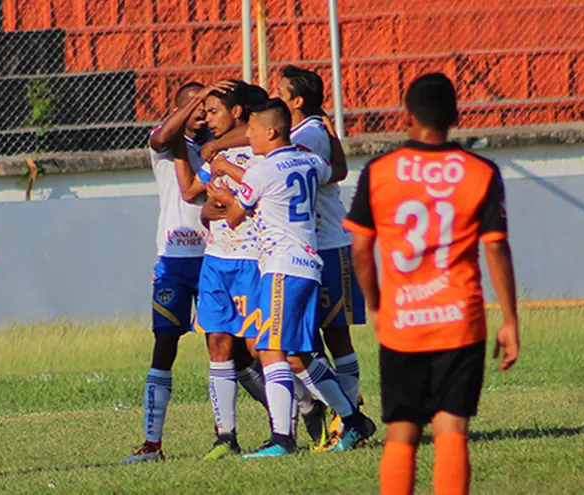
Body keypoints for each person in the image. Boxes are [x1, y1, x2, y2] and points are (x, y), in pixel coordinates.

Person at [343, 73, 520, 495]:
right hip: (460, 320)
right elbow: (496, 248)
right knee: (451, 428)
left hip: (403, 321)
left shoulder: (379, 172)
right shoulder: (481, 172)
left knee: (401, 432)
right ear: (455, 117)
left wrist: (376, 303)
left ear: (406, 117)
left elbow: (361, 250)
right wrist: (510, 319)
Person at [207, 98, 375, 459]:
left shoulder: (261, 171)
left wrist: (224, 196)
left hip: (283, 267)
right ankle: (353, 420)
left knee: (270, 349)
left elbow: (235, 216)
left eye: (251, 129)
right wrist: (332, 136)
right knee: (297, 355)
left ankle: (282, 439)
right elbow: (337, 171)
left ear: (270, 131)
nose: (247, 136)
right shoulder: (310, 160)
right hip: (308, 263)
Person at [122, 81, 231, 464]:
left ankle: (232, 434)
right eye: (197, 106)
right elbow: (162, 136)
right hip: (173, 261)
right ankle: (152, 444)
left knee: (227, 347)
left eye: (207, 107)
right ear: (181, 108)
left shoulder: (216, 147)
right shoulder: (166, 144)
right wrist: (195, 103)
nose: (203, 114)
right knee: (164, 345)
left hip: (215, 257)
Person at [275, 65, 368, 447]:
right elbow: (340, 170)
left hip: (328, 245)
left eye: (279, 90)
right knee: (307, 343)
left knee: (335, 337)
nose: (273, 95)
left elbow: (332, 172)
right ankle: (343, 413)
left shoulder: (308, 134)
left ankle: (349, 422)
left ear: (296, 101)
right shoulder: (310, 130)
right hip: (311, 248)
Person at [178, 81, 271, 460]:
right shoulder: (214, 156)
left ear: (237, 114)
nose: (208, 120)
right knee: (217, 344)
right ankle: (225, 435)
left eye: (214, 112)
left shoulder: (260, 151)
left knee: (257, 346)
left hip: (251, 260)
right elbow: (191, 194)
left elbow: (258, 197)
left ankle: (298, 416)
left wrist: (229, 194)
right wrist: (206, 209)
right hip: (216, 260)